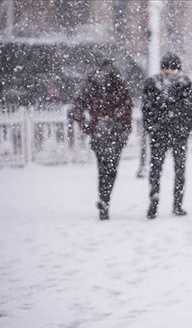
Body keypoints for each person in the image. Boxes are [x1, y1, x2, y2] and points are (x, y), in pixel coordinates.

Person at [142, 52, 192, 219]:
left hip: (159, 133)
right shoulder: (184, 82)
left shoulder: (152, 83)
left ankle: (154, 201)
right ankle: (177, 204)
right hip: (179, 133)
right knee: (179, 169)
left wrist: (151, 128)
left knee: (156, 169)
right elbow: (191, 109)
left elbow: (146, 110)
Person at [71, 59, 133, 220]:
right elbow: (127, 110)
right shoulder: (118, 86)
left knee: (103, 168)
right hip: (114, 132)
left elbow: (77, 109)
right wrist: (125, 129)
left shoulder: (92, 86)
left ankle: (104, 198)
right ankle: (105, 199)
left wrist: (88, 126)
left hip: (100, 131)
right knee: (111, 169)